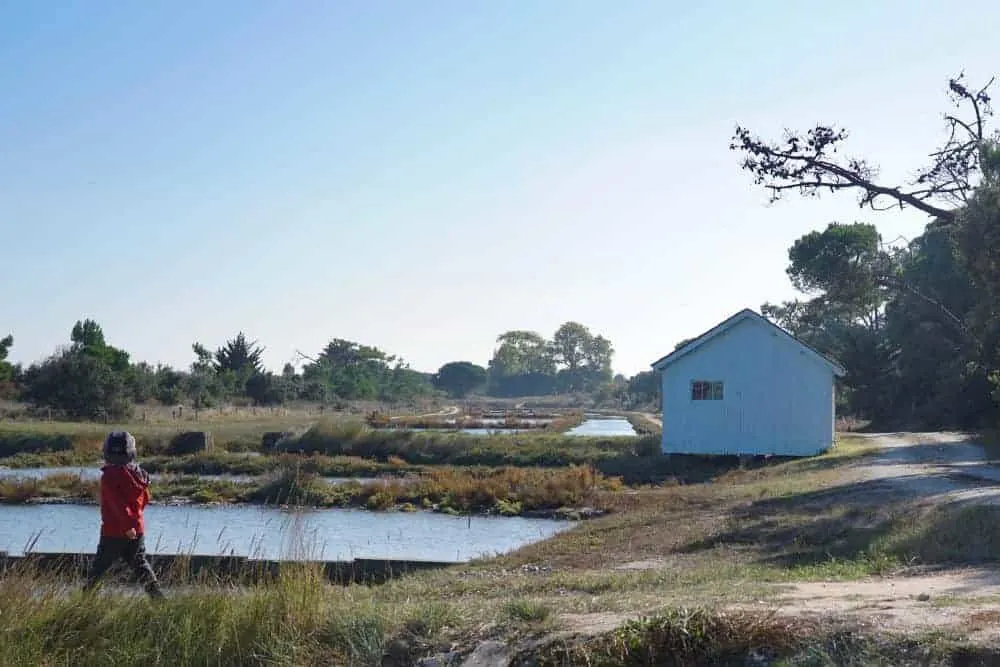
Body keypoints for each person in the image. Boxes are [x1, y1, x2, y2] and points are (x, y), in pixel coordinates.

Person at [83, 430, 164, 599]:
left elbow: (117, 504)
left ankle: (83, 602)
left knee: (99, 568)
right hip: (137, 528)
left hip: (114, 530)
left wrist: (127, 525)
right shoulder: (139, 474)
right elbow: (146, 498)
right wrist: (134, 520)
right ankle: (159, 599)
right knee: (140, 565)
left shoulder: (110, 476)